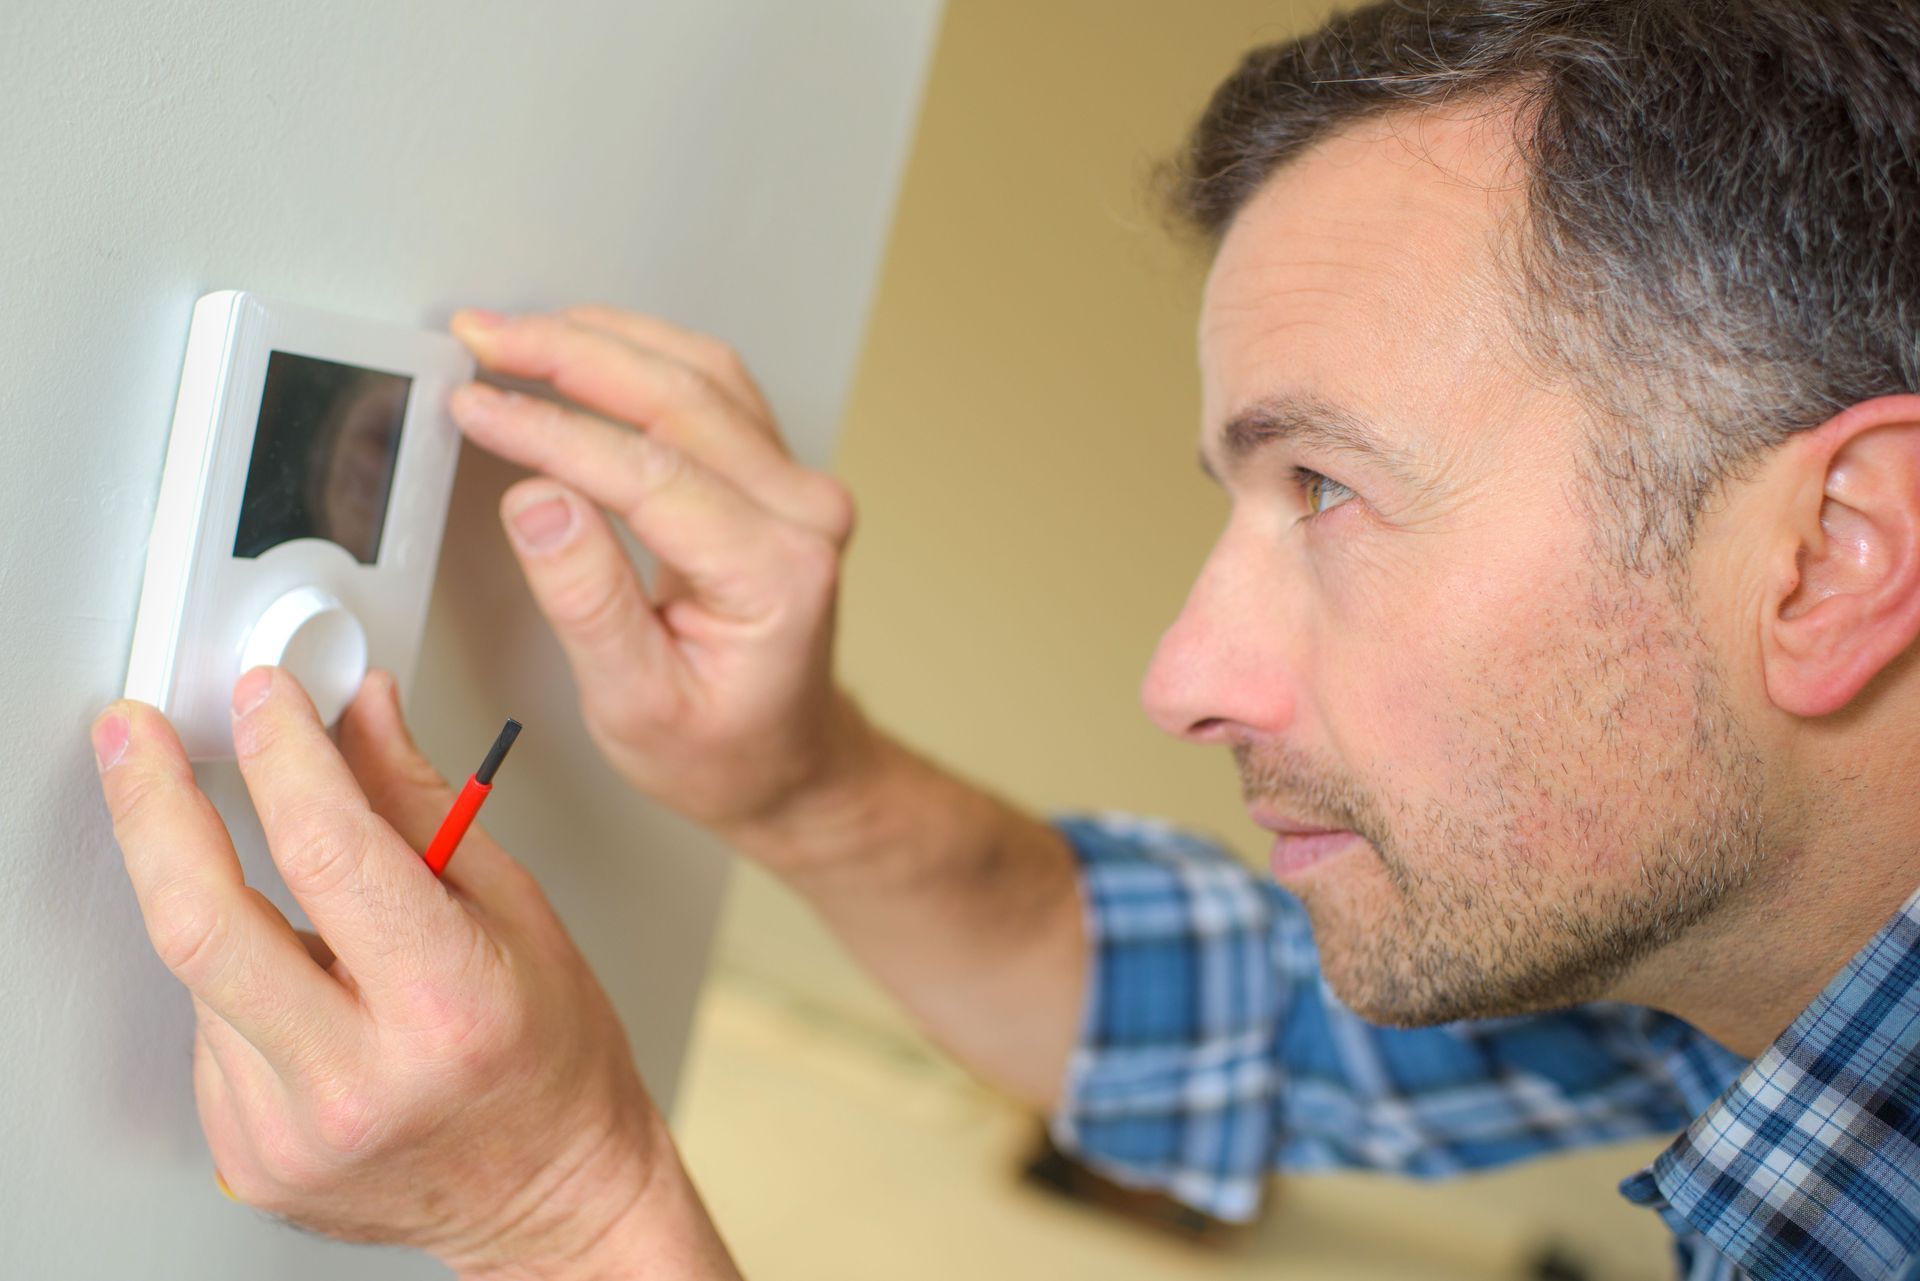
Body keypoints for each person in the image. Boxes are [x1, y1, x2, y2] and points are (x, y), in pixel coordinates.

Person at [88, 1, 1920, 1277]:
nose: (1182, 677)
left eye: (1326, 490)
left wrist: (567, 1216)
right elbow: (1237, 1023)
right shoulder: (1729, 949)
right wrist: (795, 782)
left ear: (1835, 557)